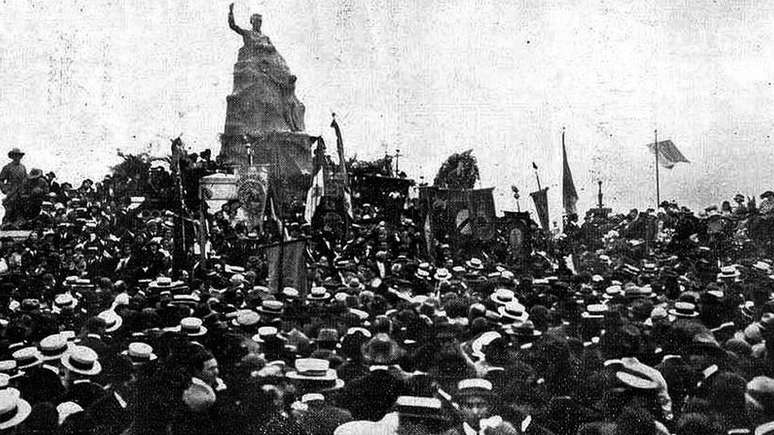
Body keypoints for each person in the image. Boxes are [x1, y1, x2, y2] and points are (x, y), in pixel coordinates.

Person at [0, 147, 27, 225]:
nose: (17, 157)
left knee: (20, 207)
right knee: (10, 207)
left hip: (21, 190)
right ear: (12, 156)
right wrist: (4, 189)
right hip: (11, 190)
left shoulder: (23, 167)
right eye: (15, 155)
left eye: (18, 156)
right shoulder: (7, 167)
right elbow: (1, 180)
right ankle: (6, 222)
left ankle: (19, 222)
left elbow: (25, 178)